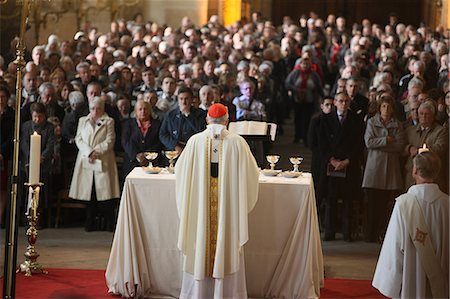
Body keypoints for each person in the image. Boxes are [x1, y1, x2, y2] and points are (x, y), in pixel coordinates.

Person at [175, 103, 259, 299]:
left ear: (206, 120)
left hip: (201, 210)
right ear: (227, 120)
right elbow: (252, 175)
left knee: (200, 239)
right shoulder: (238, 142)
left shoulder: (195, 141)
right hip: (228, 210)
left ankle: (197, 294)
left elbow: (180, 172)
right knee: (226, 241)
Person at [372, 151, 449, 298]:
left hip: (412, 282)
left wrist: (391, 283)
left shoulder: (403, 204)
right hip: (442, 284)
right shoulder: (447, 204)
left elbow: (394, 248)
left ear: (414, 171)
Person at [318, 92, 365, 241]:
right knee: (331, 199)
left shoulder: (356, 120)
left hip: (349, 164)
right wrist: (331, 160)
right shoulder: (326, 119)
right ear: (335, 103)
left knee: (348, 200)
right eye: (340, 101)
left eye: (346, 101)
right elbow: (321, 142)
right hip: (331, 164)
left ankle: (347, 233)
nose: (343, 104)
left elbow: (359, 143)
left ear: (349, 103)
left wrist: (347, 160)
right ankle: (329, 232)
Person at [69, 96, 120, 232]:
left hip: (103, 159)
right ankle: (89, 222)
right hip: (87, 159)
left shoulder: (109, 121)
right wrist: (89, 152)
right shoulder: (83, 121)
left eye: (98, 108)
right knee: (89, 192)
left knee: (105, 193)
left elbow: (110, 140)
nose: (95, 111)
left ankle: (108, 224)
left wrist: (97, 151)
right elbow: (79, 139)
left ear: (102, 109)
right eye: (92, 108)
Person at [362, 95, 405, 242]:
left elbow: (399, 146)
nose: (386, 109)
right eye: (384, 106)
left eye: (389, 106)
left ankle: (383, 233)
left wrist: (380, 146)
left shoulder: (397, 124)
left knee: (386, 205)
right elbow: (369, 142)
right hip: (375, 169)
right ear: (379, 108)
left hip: (391, 170)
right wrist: (386, 140)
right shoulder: (372, 122)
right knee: (373, 204)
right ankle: (370, 234)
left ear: (393, 109)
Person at [20, 102, 55, 227]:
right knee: (27, 192)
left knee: (42, 193)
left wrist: (42, 156)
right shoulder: (26, 126)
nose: (37, 119)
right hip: (28, 164)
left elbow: (51, 144)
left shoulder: (49, 128)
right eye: (35, 116)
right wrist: (32, 155)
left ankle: (40, 218)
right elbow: (24, 143)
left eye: (40, 116)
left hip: (43, 166)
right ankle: (26, 218)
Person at [404, 100, 448, 193]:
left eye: (427, 114)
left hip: (431, 177)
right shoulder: (409, 131)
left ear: (433, 115)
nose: (423, 117)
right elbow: (401, 147)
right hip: (411, 176)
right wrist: (409, 148)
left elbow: (440, 148)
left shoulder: (440, 131)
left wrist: (420, 151)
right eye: (421, 113)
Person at [121, 99, 163, 177]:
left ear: (150, 111)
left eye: (145, 109)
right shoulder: (128, 124)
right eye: (140, 109)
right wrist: (137, 155)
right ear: (136, 111)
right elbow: (125, 142)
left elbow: (159, 142)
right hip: (132, 162)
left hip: (152, 163)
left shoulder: (157, 124)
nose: (143, 111)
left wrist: (146, 156)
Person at [159, 86, 207, 153]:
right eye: (181, 99)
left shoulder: (201, 114)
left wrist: (188, 115)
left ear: (191, 99)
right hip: (175, 150)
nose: (183, 102)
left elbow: (201, 131)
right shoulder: (170, 115)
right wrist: (175, 146)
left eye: (186, 99)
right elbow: (163, 134)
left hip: (195, 149)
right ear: (178, 100)